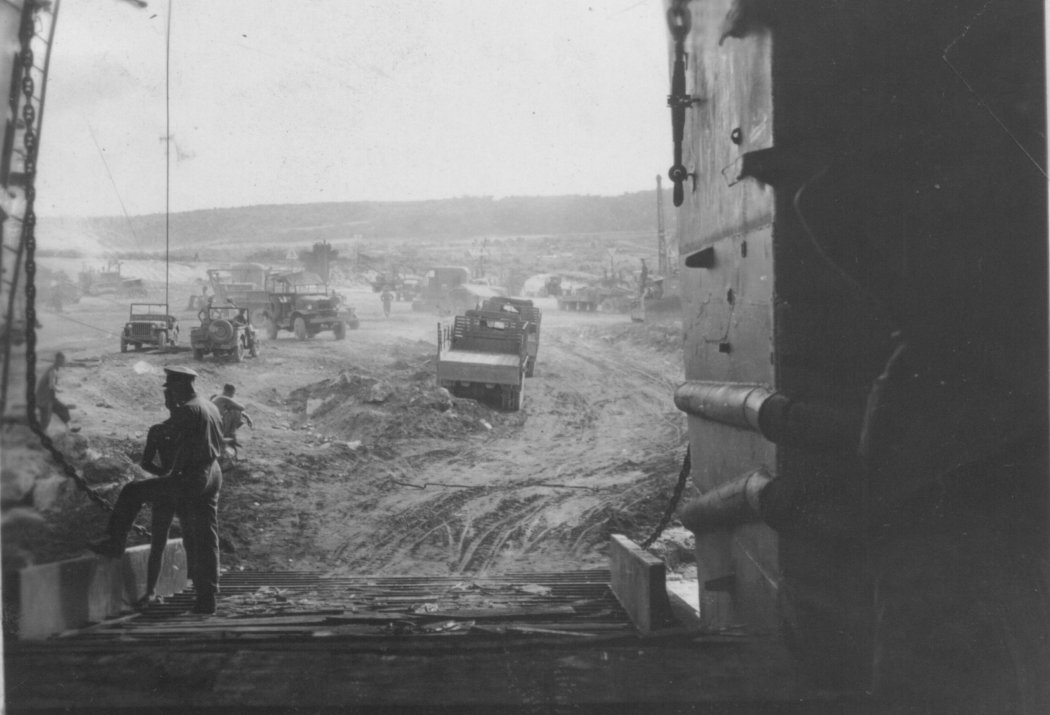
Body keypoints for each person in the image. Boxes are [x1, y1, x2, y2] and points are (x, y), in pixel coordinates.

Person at [89, 366, 225, 615]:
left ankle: (113, 543)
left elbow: (178, 447)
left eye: (171, 388)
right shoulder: (210, 406)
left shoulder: (187, 410)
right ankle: (207, 598)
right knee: (206, 535)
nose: (170, 394)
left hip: (192, 476)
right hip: (213, 474)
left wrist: (171, 475)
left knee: (132, 491)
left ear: (180, 385)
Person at [210, 383, 253, 457]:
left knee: (234, 411)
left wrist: (247, 416)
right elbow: (242, 407)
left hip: (213, 423)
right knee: (236, 411)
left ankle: (229, 438)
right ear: (229, 392)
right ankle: (230, 436)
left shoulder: (218, 397)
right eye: (233, 393)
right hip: (215, 425)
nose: (233, 396)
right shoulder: (223, 398)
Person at [35, 351, 71, 431]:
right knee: (45, 422)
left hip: (49, 398)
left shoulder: (54, 369)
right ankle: (40, 435)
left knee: (63, 409)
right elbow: (51, 385)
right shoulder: (53, 371)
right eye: (63, 360)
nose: (64, 362)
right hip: (44, 399)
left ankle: (69, 429)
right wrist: (60, 390)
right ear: (59, 361)